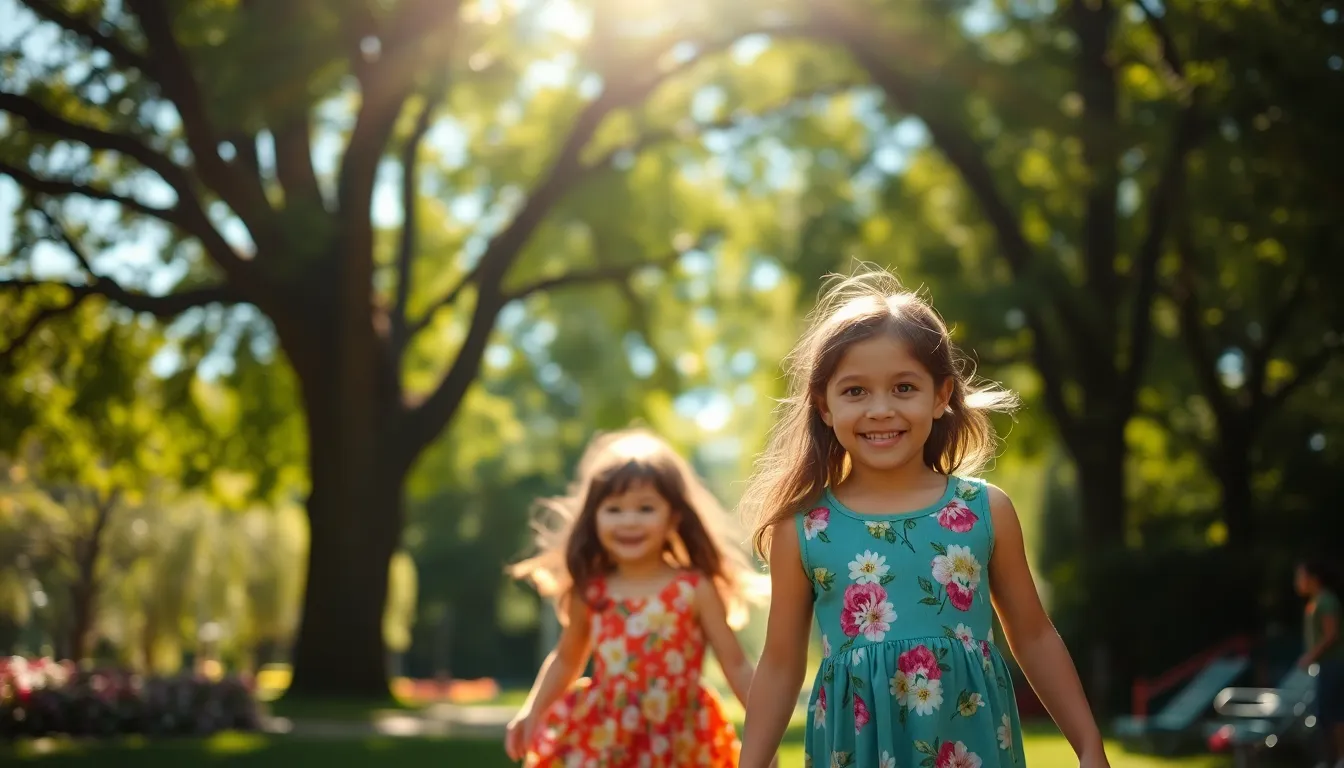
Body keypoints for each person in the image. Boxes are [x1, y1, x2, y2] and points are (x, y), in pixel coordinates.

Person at [737, 267, 1111, 767]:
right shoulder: (804, 528)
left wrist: (1088, 745)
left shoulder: (985, 511)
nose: (880, 409)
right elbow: (781, 664)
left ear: (940, 397)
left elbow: (1033, 633)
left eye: (904, 387)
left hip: (969, 744)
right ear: (823, 407)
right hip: (857, 751)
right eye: (854, 392)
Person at [504, 428, 768, 767]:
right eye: (614, 509)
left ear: (673, 517)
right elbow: (567, 660)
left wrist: (765, 733)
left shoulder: (693, 589)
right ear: (594, 517)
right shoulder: (593, 590)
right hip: (606, 740)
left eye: (645, 508)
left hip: (679, 739)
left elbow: (737, 666)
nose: (629, 521)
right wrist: (532, 711)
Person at [1296, 558, 1343, 768]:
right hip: (1326, 666)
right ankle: (1330, 760)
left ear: (1313, 578)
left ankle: (1340, 759)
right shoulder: (1315, 602)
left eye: (1300, 576)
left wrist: (1310, 656)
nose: (1297, 581)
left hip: (1335, 664)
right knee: (1324, 714)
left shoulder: (1326, 601)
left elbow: (1331, 634)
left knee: (1335, 714)